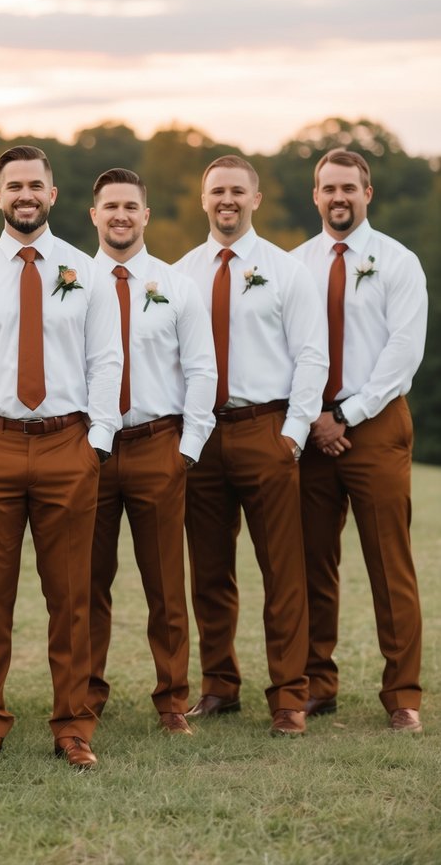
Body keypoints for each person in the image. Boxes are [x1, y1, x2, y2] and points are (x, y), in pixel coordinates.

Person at [0, 145, 122, 769]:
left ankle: (73, 727)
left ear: (52, 194)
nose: (25, 194)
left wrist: (97, 441)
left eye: (35, 184)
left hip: (68, 443)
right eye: (14, 185)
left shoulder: (85, 272)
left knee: (71, 596)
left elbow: (106, 362)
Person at [174, 155, 328, 736]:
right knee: (209, 571)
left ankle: (290, 695)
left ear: (256, 199)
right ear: (203, 199)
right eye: (218, 191)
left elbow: (313, 354)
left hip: (266, 429)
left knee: (282, 571)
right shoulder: (181, 273)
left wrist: (292, 432)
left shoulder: (287, 272)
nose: (227, 200)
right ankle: (219, 685)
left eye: (238, 191)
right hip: (202, 435)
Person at [293, 148, 427, 732]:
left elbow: (404, 353)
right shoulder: (294, 265)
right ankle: (317, 685)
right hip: (312, 431)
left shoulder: (397, 261)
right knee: (310, 564)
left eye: (349, 187)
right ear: (315, 195)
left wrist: (347, 413)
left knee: (388, 562)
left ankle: (402, 695)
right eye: (328, 188)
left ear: (366, 194)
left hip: (374, 429)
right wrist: (314, 419)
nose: (338, 197)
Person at [88, 169, 216, 734]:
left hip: (157, 444)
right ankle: (86, 692)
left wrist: (188, 447)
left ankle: (172, 701)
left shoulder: (176, 286)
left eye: (130, 206)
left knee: (165, 583)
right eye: (110, 205)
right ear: (93, 214)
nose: (120, 215)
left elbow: (201, 369)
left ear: (145, 215)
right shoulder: (67, 280)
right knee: (85, 583)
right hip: (88, 451)